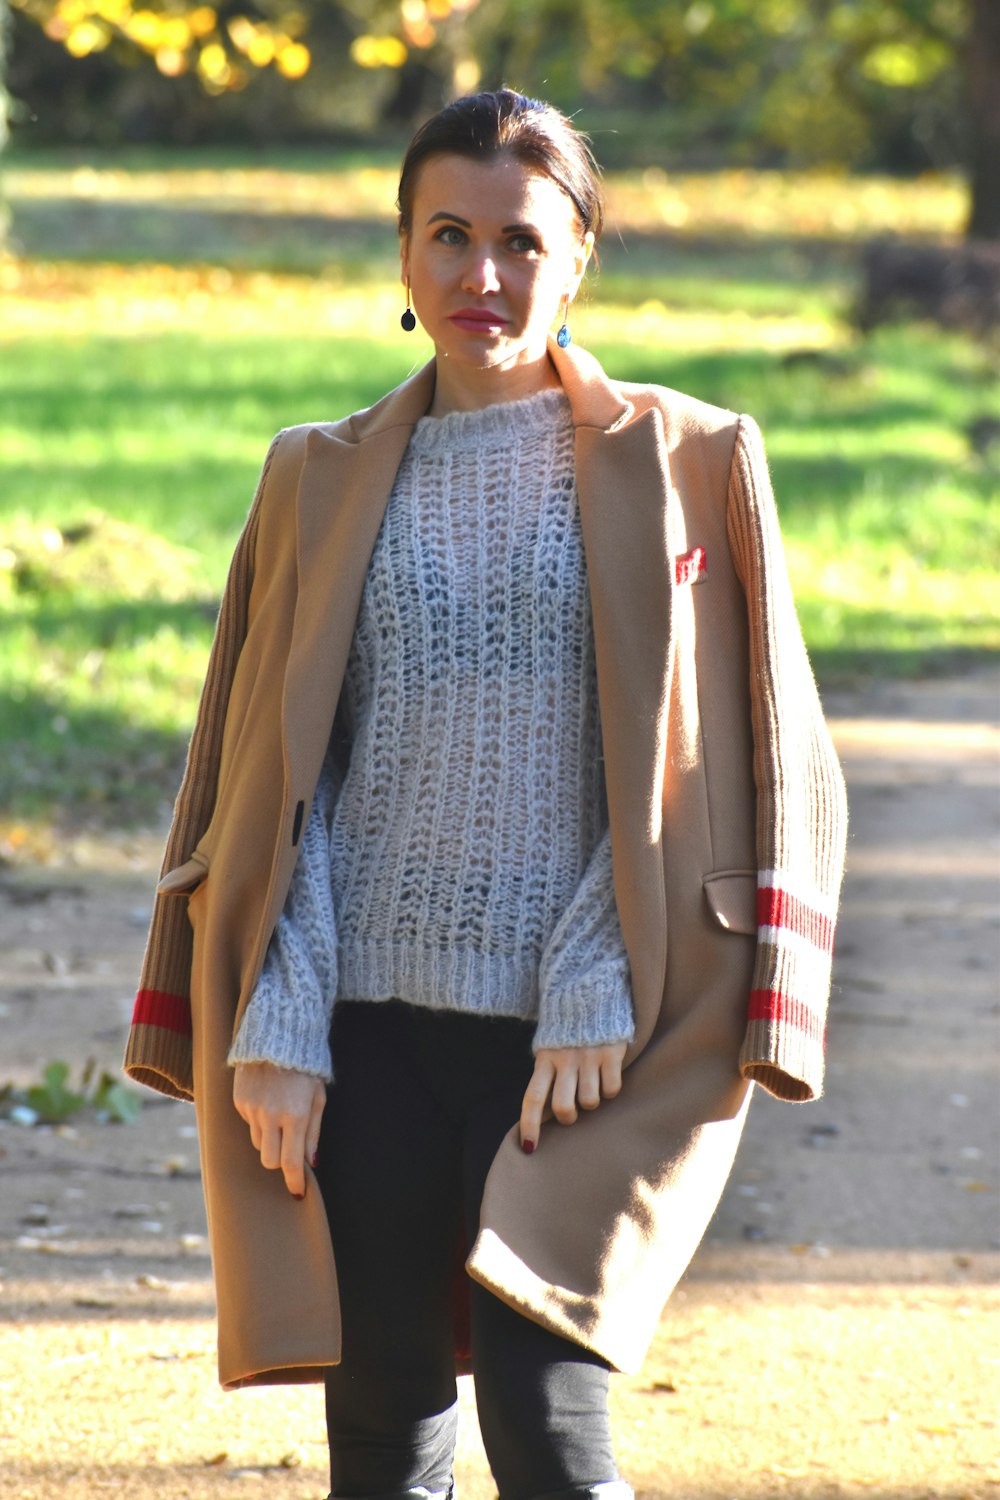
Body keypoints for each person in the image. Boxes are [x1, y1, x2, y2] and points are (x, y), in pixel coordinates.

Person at [125, 89, 847, 1500]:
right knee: (382, 1441)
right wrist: (278, 1010)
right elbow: (271, 773)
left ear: (579, 259)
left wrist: (593, 983)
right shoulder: (311, 478)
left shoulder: (689, 461)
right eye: (447, 236)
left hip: (590, 1041)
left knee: (549, 1433)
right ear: (402, 255)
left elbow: (744, 762)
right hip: (360, 1027)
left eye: (521, 239)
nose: (483, 276)